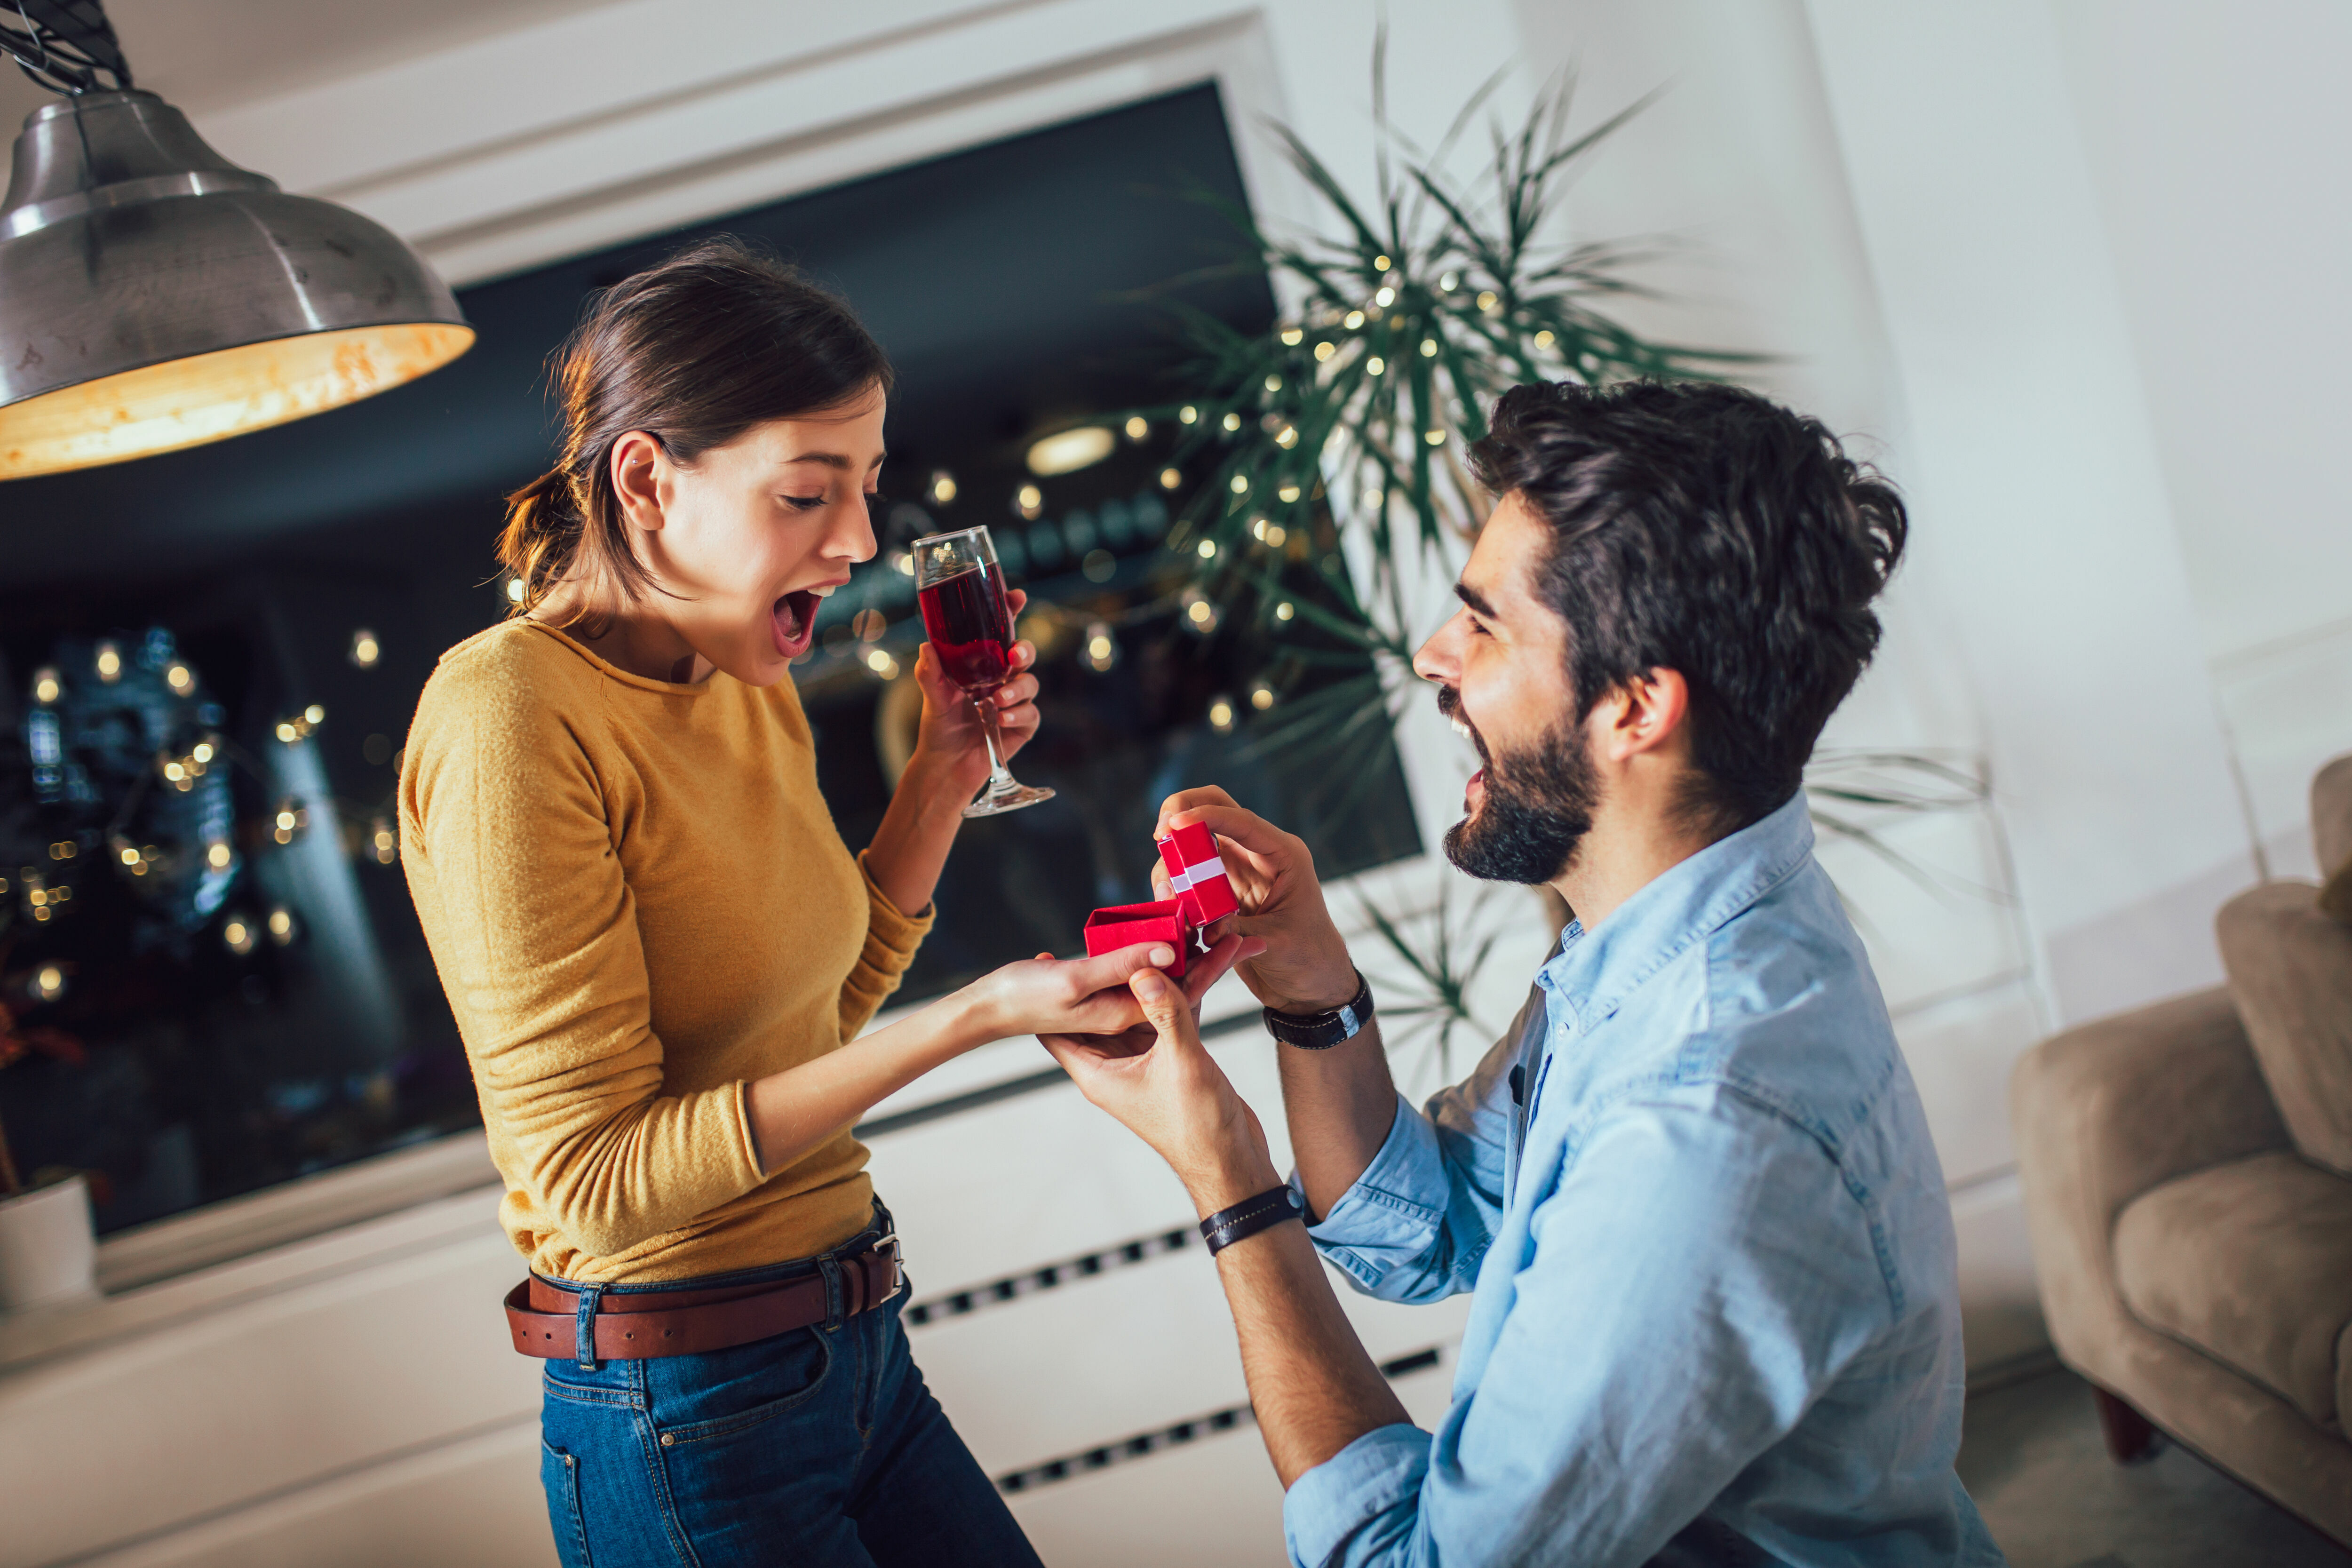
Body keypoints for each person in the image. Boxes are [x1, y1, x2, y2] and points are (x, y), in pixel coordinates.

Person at [1042, 380, 2009, 1566]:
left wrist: (1228, 1180)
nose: (1430, 657)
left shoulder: (1702, 1113)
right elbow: (1429, 1226)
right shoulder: (1669, 934)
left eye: (1483, 624)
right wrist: (1308, 985)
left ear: (1636, 707)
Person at [399, 237, 1249, 1568]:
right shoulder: (509, 715)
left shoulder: (741, 674)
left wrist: (937, 781)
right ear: (647, 479)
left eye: (865, 486)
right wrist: (974, 1017)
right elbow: (596, 1180)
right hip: (682, 1415)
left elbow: (815, 1018)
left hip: (853, 1358)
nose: (858, 541)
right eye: (808, 493)